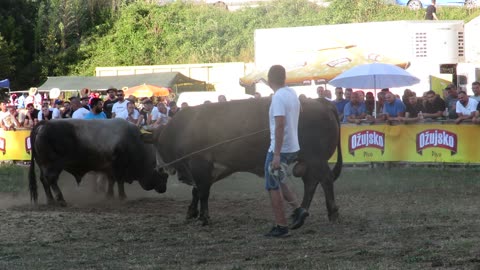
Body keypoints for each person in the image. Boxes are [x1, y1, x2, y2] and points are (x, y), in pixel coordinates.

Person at [263, 65, 307, 238]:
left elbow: (280, 125)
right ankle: (298, 210)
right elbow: (299, 111)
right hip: (293, 146)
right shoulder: (291, 93)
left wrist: (276, 154)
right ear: (284, 78)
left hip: (280, 148)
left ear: (269, 80)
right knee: (279, 178)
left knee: (272, 185)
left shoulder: (278, 97)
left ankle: (281, 227)